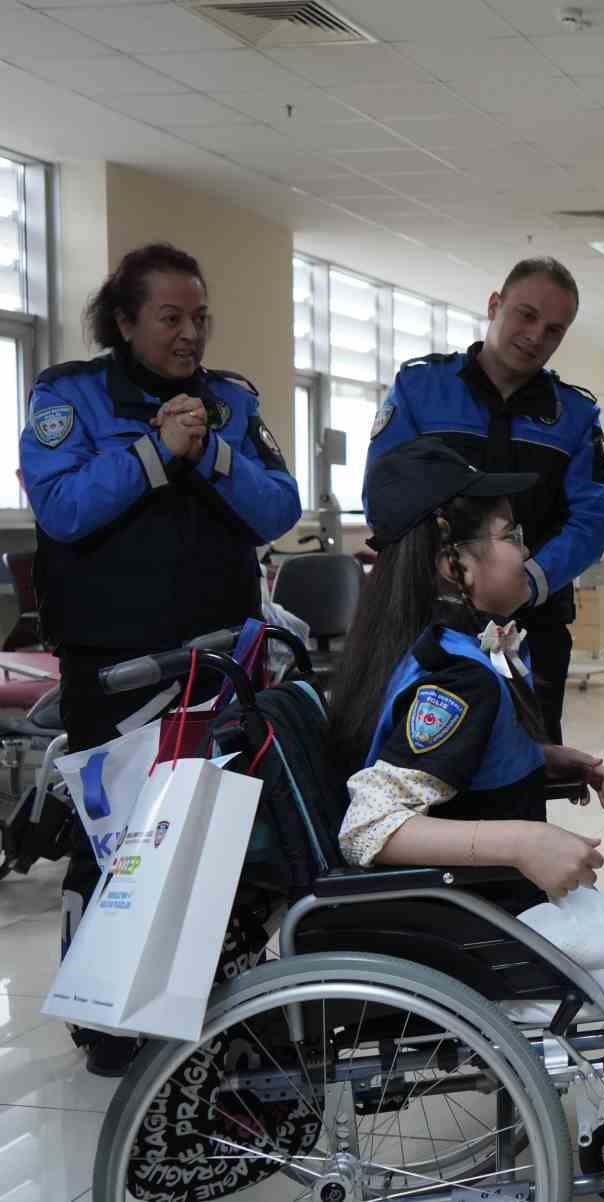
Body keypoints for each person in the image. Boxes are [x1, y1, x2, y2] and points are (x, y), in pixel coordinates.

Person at [19, 241, 301, 1076]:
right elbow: (63, 509)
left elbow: (276, 507)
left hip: (218, 660)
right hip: (111, 664)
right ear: (126, 320)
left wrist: (210, 451)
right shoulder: (67, 396)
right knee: (117, 841)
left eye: (200, 317)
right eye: (171, 318)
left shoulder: (232, 403)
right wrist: (152, 454)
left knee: (217, 835)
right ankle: (104, 1017)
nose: (190, 335)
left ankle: (212, 999)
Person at [330, 437, 604, 902]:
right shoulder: (459, 680)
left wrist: (535, 758)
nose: (526, 552)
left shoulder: (430, 646)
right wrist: (524, 842)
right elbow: (366, 826)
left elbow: (452, 769)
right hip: (486, 924)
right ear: (452, 564)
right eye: (511, 536)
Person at [365, 257, 604, 744]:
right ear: (495, 305)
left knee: (525, 769)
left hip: (532, 622)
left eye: (554, 329)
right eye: (526, 314)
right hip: (424, 619)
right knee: (418, 765)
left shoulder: (575, 414)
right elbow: (386, 495)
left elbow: (593, 518)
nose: (536, 335)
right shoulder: (420, 389)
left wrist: (526, 582)